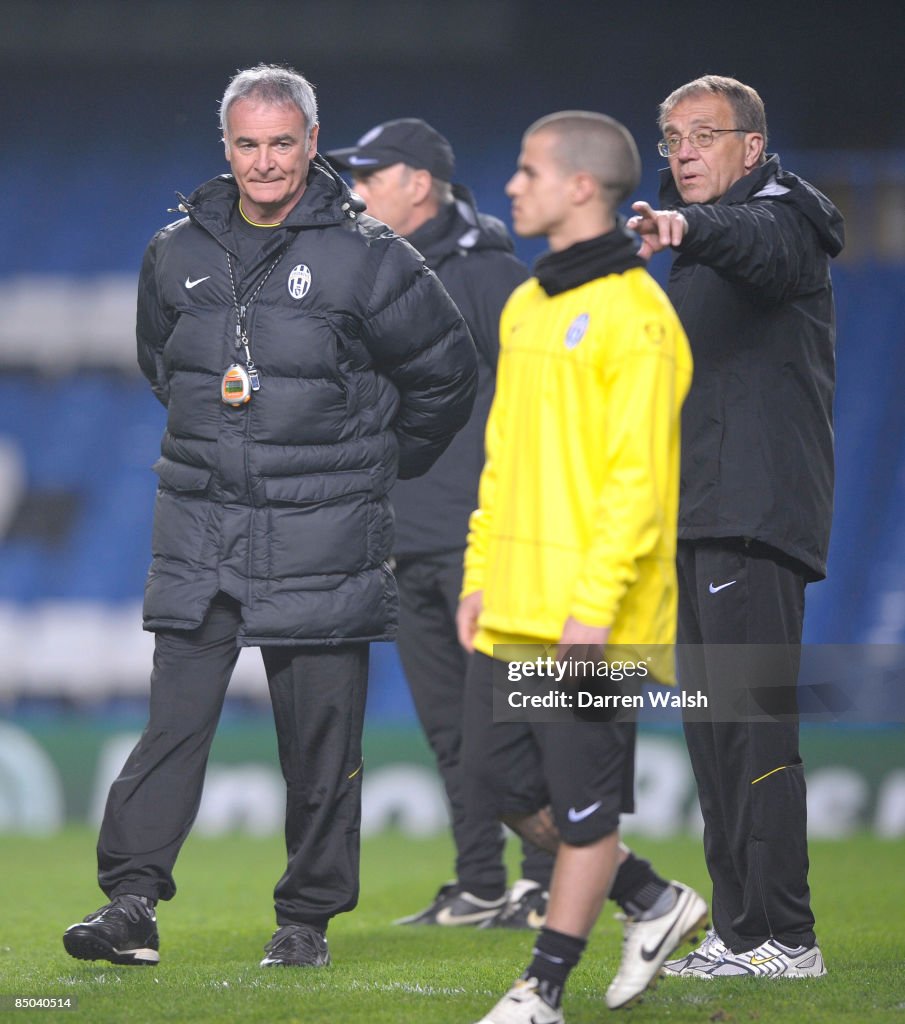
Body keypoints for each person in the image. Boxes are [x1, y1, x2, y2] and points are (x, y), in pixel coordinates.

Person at [62, 64, 477, 969]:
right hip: (201, 527)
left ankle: (306, 921)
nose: (264, 162)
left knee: (321, 743)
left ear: (311, 143)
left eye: (281, 142)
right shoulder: (173, 252)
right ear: (226, 147)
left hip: (322, 532)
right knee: (172, 724)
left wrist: (373, 464)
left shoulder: (372, 256)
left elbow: (448, 377)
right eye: (247, 144)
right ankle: (131, 905)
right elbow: (159, 363)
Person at [459, 111, 706, 1022]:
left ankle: (542, 989)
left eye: (527, 171)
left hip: (592, 619)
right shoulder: (529, 305)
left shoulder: (639, 317)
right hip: (516, 605)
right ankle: (648, 898)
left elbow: (635, 483)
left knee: (582, 803)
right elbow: (504, 457)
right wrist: (480, 571)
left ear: (579, 188)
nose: (512, 186)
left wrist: (594, 607)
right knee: (498, 787)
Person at [627, 74, 843, 980]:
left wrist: (690, 227)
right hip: (701, 516)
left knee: (753, 733)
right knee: (715, 740)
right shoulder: (705, 255)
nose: (682, 152)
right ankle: (742, 932)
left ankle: (787, 936)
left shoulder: (783, 217)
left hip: (752, 518)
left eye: (703, 135)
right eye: (672, 136)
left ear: (750, 147)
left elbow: (758, 241)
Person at [326, 119, 554, 929]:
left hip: (481, 539)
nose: (355, 192)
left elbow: (536, 406)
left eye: (370, 175)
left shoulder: (491, 275)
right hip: (405, 539)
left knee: (513, 727)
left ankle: (545, 881)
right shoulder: (376, 271)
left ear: (418, 183)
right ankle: (480, 883)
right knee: (449, 733)